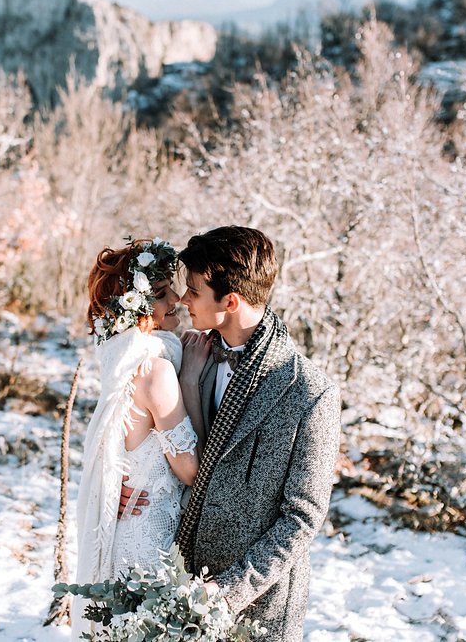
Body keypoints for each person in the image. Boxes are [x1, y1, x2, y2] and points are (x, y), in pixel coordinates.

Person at [122, 226, 341, 641]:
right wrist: (127, 486)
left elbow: (302, 518)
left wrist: (228, 591)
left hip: (260, 605)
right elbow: (157, 437)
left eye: (195, 291)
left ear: (231, 301)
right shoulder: (190, 355)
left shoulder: (310, 393)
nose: (184, 301)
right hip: (178, 578)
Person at [72, 237, 210, 640]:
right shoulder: (156, 371)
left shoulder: (126, 359)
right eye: (166, 295)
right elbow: (188, 470)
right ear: (142, 305)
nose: (179, 302)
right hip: (151, 536)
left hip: (131, 527)